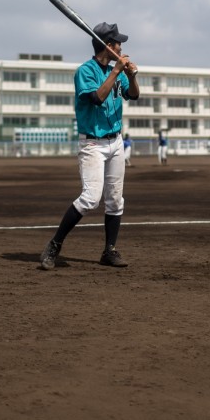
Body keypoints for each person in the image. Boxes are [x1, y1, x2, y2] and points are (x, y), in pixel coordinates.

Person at [39, 23, 140, 270]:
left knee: (116, 200)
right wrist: (117, 71)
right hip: (93, 143)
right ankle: (54, 245)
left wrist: (131, 76)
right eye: (118, 43)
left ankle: (110, 250)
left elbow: (134, 95)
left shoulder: (117, 71)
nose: (122, 47)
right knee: (90, 199)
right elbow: (96, 98)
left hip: (115, 141)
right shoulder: (85, 71)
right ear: (108, 46)